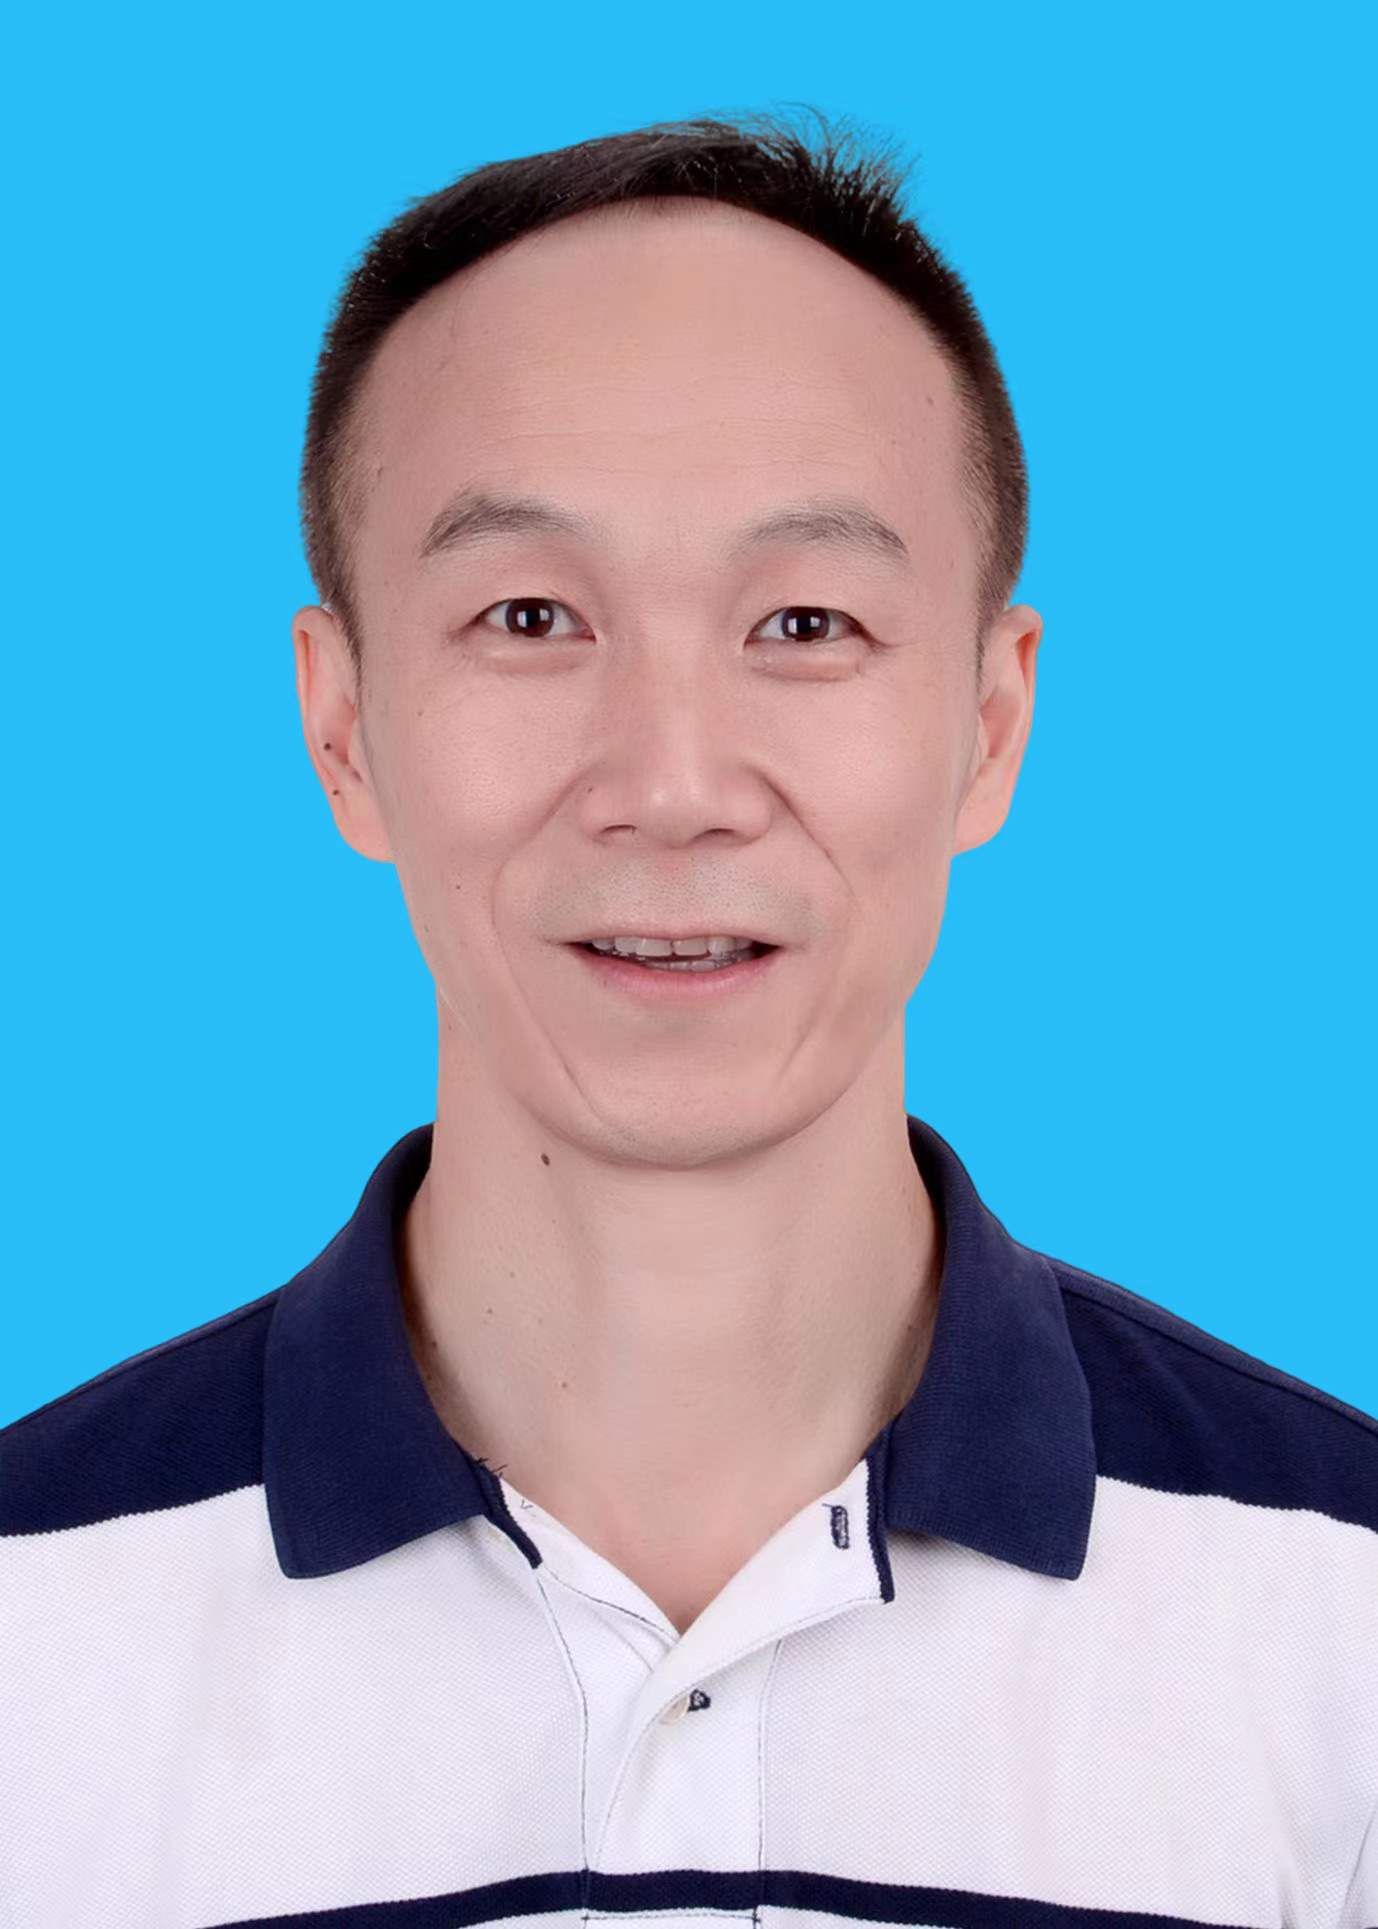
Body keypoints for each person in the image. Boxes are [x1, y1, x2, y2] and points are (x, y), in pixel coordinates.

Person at [3, 106, 1375, 1926]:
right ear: (342, 726)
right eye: (527, 615)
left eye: (803, 624)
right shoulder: (31, 1639)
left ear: (988, 723)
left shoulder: (1340, 1627)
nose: (669, 785)